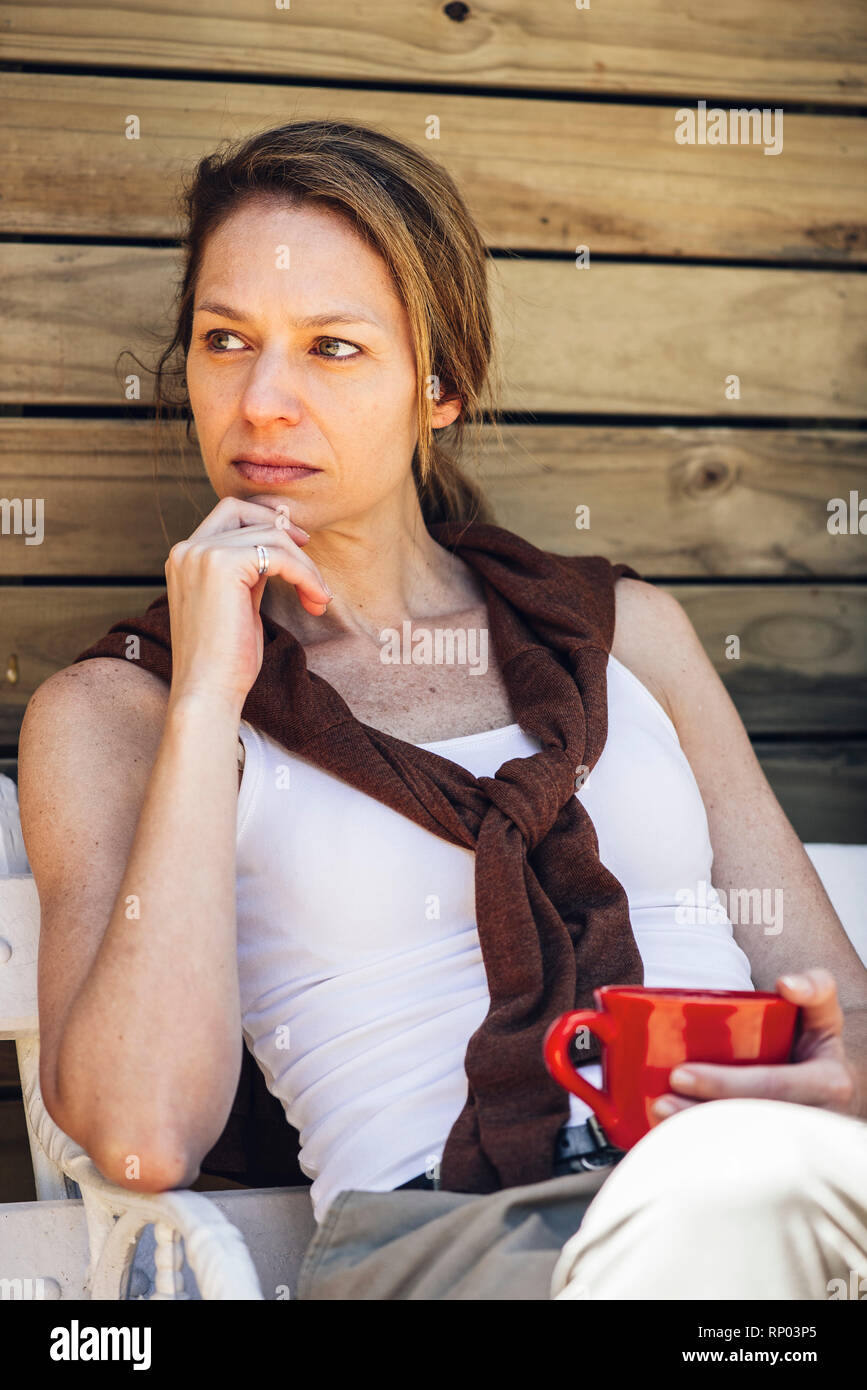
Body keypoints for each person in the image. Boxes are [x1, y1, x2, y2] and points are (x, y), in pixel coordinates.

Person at [18, 119, 867, 1301]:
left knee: (756, 1188)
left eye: (331, 347)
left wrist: (831, 1083)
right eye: (226, 342)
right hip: (456, 1251)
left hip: (781, 1200)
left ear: (444, 384)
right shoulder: (121, 711)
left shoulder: (631, 636)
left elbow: (846, 1006)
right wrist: (214, 696)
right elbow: (141, 1135)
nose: (264, 400)